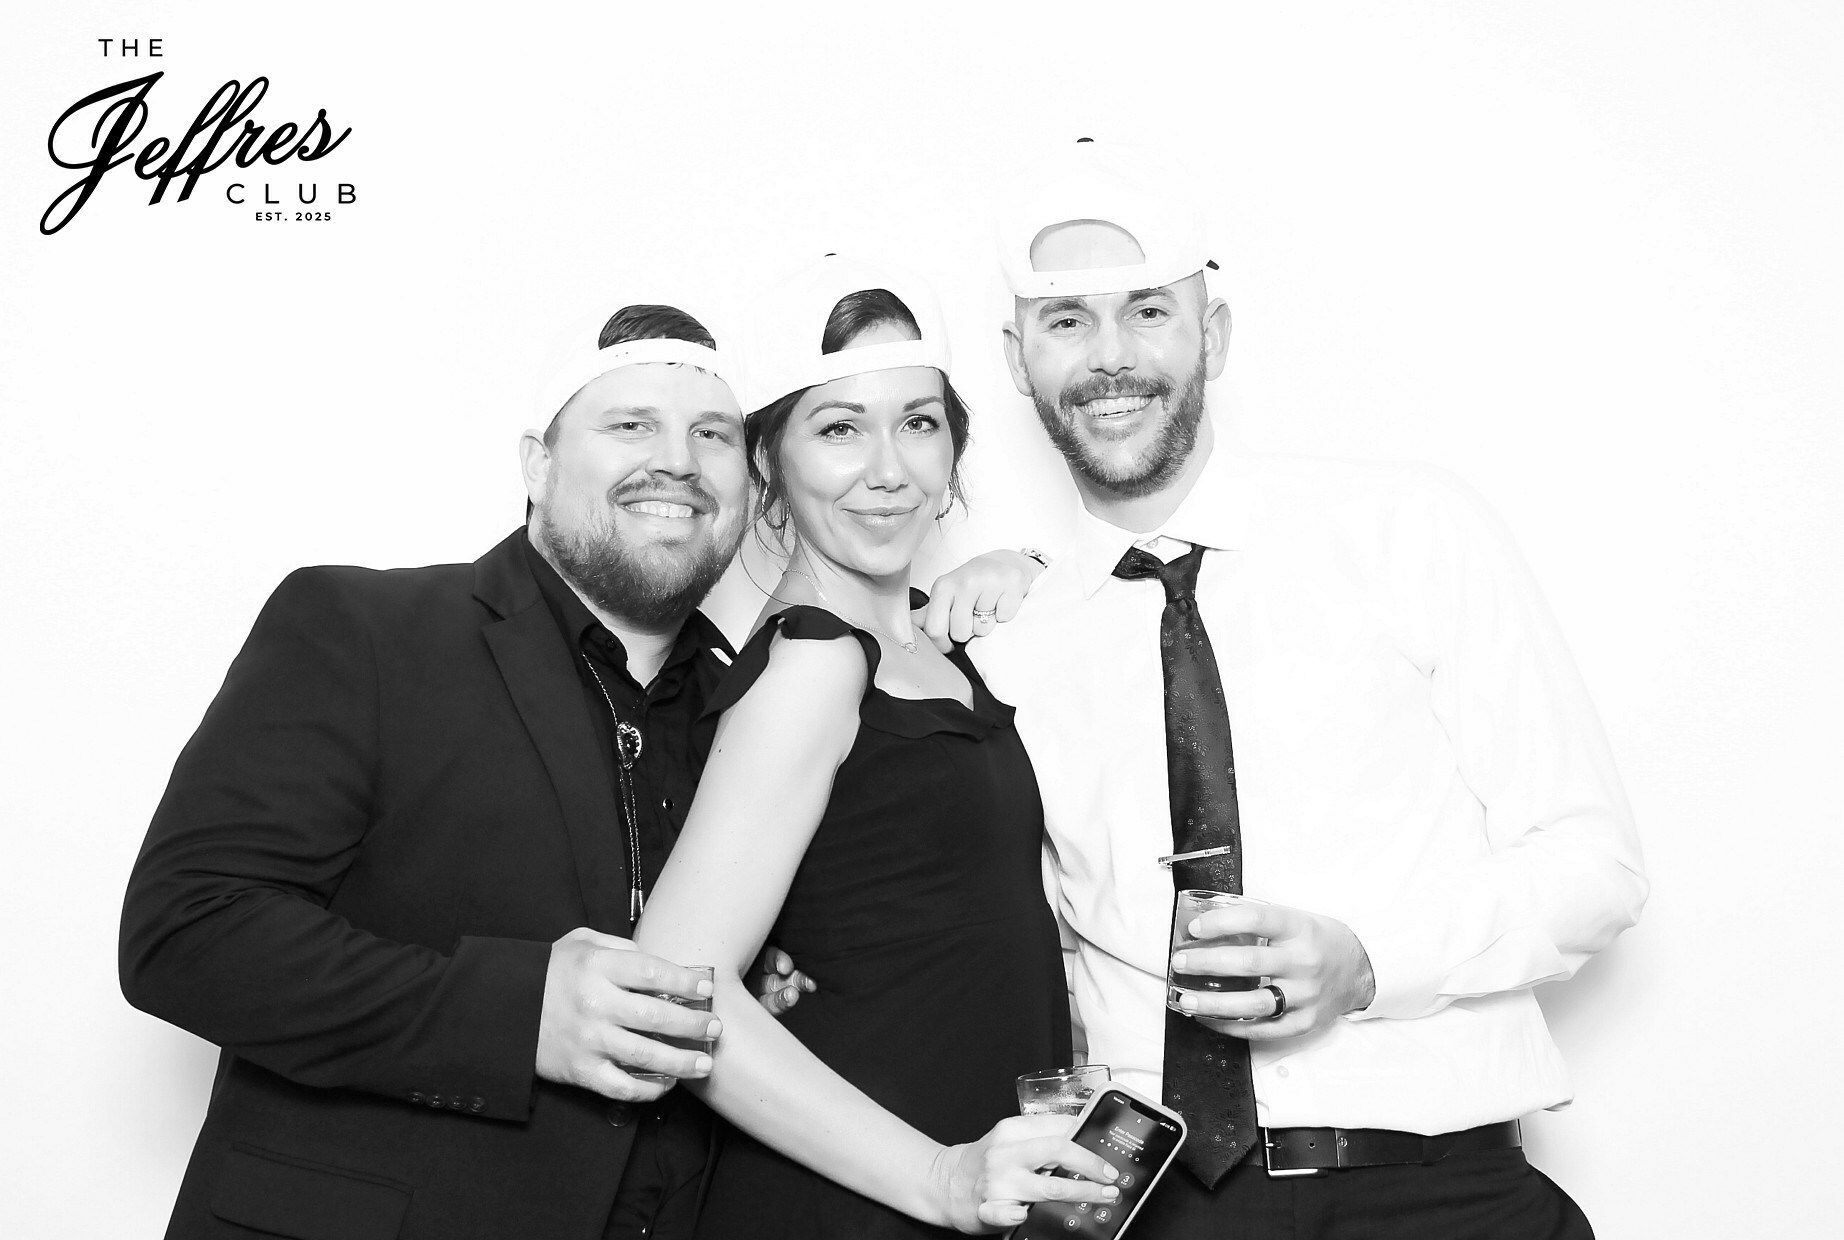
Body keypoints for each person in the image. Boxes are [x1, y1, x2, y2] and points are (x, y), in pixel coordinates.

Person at [961, 140, 1650, 1238]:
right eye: (1066, 321)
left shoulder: (1408, 531)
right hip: (1164, 1205)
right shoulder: (1007, 643)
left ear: (1214, 335)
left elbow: (1592, 865)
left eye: (1148, 312)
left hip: (1436, 1195)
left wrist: (1368, 964)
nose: (1109, 357)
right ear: (1016, 358)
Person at [120, 298, 757, 1240]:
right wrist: (520, 1013)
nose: (679, 461)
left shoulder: (755, 711)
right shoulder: (364, 630)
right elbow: (186, 933)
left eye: (713, 434)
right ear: (538, 464)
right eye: (631, 425)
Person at [630, 254, 1122, 1238]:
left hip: (978, 1178)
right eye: (839, 428)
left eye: (919, 423)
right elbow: (678, 990)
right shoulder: (811, 662)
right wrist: (937, 1178)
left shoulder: (934, 641)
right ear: (767, 460)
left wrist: (1029, 566)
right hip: (855, 1198)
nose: (889, 470)